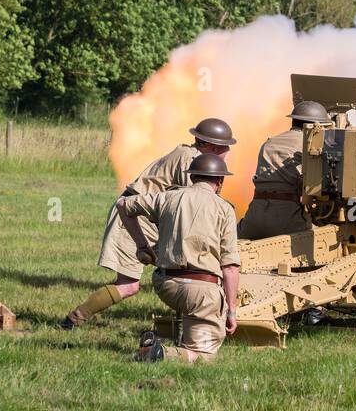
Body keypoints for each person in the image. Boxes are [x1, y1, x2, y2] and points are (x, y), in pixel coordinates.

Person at [60, 117, 236, 329]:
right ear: (212, 146)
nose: (228, 151)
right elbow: (195, 203)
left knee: (177, 272)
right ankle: (73, 320)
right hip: (134, 217)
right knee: (129, 285)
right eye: (226, 147)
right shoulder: (190, 159)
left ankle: (185, 323)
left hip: (143, 215)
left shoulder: (189, 154)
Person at [122, 152, 241, 363]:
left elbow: (123, 205)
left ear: (192, 177)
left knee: (190, 317)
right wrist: (231, 311)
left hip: (165, 284)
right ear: (220, 181)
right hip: (202, 291)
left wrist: (143, 246)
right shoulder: (224, 209)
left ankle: (167, 346)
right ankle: (159, 353)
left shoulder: (167, 197)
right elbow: (230, 267)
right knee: (205, 358)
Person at [237, 99, 331, 240]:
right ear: (315, 126)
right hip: (287, 219)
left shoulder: (269, 142)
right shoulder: (311, 147)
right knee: (327, 238)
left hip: (254, 216)